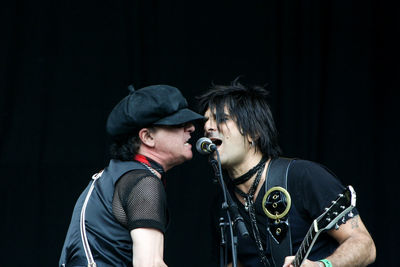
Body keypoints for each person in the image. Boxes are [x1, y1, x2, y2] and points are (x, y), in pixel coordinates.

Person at [197, 79, 376, 267]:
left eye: (221, 119)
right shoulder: (223, 204)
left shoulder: (304, 177)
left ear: (253, 132)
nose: (208, 127)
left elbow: (364, 245)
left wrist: (322, 265)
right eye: (206, 120)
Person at [59, 84, 203, 267]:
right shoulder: (142, 182)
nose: (190, 128)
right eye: (178, 123)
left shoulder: (116, 176)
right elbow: (149, 264)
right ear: (147, 137)